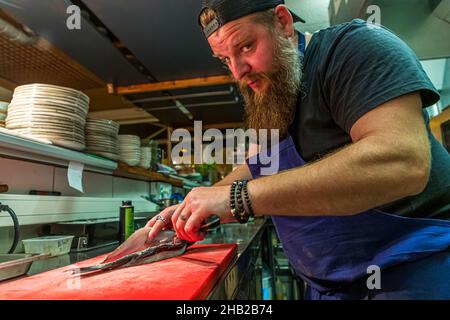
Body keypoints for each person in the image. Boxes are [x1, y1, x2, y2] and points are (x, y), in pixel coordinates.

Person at [146, 0, 450, 300]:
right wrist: (191, 208)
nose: (238, 71)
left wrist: (237, 198)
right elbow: (259, 165)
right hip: (328, 287)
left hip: (418, 271)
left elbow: (402, 162)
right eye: (225, 59)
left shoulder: (356, 48)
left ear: (282, 21)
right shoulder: (272, 95)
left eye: (246, 46)